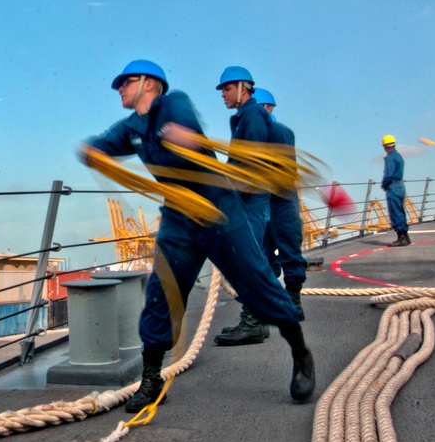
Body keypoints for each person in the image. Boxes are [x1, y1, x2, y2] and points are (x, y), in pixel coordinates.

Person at [81, 59, 315, 412]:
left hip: (218, 210)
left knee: (258, 284)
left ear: (149, 83)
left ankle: (300, 354)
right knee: (161, 294)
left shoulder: (173, 103)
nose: (119, 89)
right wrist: (92, 150)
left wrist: (185, 135)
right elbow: (107, 142)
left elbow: (185, 121)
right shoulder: (132, 126)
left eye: (125, 82)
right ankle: (151, 379)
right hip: (178, 215)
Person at [213, 66, 276, 345]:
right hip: (250, 196)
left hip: (252, 197)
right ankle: (255, 320)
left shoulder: (252, 114)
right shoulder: (246, 116)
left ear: (242, 87)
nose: (223, 95)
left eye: (226, 88)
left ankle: (253, 322)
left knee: (248, 258)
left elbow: (252, 163)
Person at [252, 88, 306, 320]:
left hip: (280, 201)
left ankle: (292, 301)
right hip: (265, 201)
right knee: (264, 254)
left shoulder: (279, 132)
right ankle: (271, 303)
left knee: (286, 251)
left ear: (266, 108)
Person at [380, 135, 409, 247]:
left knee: (395, 212)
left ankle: (401, 238)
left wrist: (384, 185)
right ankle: (405, 236)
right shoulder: (398, 156)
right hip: (400, 185)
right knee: (401, 211)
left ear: (384, 146)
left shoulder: (390, 157)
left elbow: (388, 174)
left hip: (393, 187)